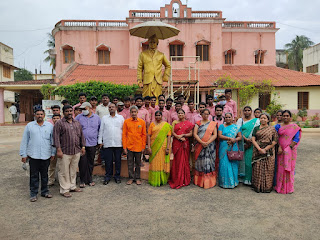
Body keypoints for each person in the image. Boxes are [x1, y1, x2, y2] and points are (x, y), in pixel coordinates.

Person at [20, 109, 55, 202]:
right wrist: (23, 154)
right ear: (34, 115)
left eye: (41, 114)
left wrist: (53, 153)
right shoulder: (30, 126)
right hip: (33, 155)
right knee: (34, 175)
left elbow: (53, 141)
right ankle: (33, 193)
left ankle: (45, 191)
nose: (39, 116)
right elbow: (25, 140)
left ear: (44, 115)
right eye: (38, 114)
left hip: (46, 155)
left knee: (44, 175)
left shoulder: (49, 126)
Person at [53, 105, 86, 198]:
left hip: (76, 150)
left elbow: (81, 135)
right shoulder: (59, 123)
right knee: (63, 171)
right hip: (64, 151)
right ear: (63, 113)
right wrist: (58, 150)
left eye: (71, 111)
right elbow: (56, 137)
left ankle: (72, 186)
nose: (69, 113)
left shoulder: (77, 123)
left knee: (73, 170)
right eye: (67, 111)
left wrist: (83, 147)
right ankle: (64, 189)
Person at [274, 110, 301, 194]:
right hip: (280, 151)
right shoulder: (278, 126)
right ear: (281, 117)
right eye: (284, 116)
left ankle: (289, 188)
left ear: (290, 117)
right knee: (280, 168)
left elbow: (296, 139)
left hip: (290, 151)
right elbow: (275, 137)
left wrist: (288, 148)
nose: (285, 117)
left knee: (290, 168)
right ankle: (280, 187)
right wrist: (279, 147)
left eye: (287, 116)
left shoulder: (294, 127)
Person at [75, 102, 101, 188]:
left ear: (90, 108)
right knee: (82, 162)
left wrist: (99, 141)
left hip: (93, 143)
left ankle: (89, 179)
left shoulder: (97, 118)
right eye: (82, 109)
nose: (83, 111)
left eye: (85, 109)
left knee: (90, 162)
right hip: (81, 144)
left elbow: (100, 129)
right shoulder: (79, 117)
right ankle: (82, 180)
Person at [251, 113, 278, 193]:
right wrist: (259, 149)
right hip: (257, 151)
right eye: (261, 118)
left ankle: (267, 187)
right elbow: (253, 139)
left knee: (268, 169)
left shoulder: (272, 129)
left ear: (268, 120)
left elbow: (275, 141)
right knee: (257, 168)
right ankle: (257, 186)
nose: (263, 119)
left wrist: (265, 149)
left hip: (269, 151)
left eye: (265, 118)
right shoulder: (256, 128)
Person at [99, 103, 124, 184]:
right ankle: (107, 176)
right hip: (107, 142)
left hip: (118, 143)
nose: (111, 108)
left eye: (112, 107)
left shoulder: (121, 118)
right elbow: (101, 130)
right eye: (109, 107)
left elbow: (124, 131)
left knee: (118, 161)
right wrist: (100, 141)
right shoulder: (104, 118)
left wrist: (124, 143)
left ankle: (117, 176)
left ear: (116, 108)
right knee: (108, 161)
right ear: (108, 109)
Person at [169, 109, 194, 189]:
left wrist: (183, 135)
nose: (180, 114)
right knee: (177, 161)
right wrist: (178, 137)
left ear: (184, 114)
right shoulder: (175, 122)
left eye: (182, 113)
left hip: (184, 144)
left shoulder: (189, 123)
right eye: (179, 113)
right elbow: (172, 132)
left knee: (184, 160)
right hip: (176, 142)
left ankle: (184, 179)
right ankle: (176, 178)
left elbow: (191, 133)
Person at [193, 109, 218, 189]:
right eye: (204, 114)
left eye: (208, 114)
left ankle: (209, 182)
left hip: (210, 146)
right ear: (201, 114)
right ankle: (199, 181)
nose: (206, 115)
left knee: (209, 162)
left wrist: (207, 142)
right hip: (200, 145)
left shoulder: (212, 124)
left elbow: (215, 135)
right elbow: (195, 134)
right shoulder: (198, 123)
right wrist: (201, 142)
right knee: (200, 163)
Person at [122, 106, 147, 185]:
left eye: (134, 112)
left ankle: (137, 178)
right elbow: (124, 135)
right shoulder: (126, 122)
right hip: (129, 146)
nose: (133, 113)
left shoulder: (142, 122)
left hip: (139, 147)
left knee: (138, 163)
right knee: (130, 163)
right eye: (132, 112)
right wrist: (124, 147)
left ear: (137, 112)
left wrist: (143, 147)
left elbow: (144, 135)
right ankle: (131, 178)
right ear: (130, 113)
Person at [236, 106, 260, 185]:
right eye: (245, 110)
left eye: (248, 110)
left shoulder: (256, 121)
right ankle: (241, 177)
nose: (247, 112)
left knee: (249, 161)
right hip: (241, 143)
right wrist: (245, 139)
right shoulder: (240, 120)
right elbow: (237, 131)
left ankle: (248, 179)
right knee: (241, 160)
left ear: (251, 111)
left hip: (252, 143)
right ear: (243, 112)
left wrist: (251, 141)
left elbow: (257, 132)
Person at [147, 111, 172, 187]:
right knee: (154, 163)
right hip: (154, 146)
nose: (158, 117)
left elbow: (169, 136)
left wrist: (168, 147)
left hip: (163, 146)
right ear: (155, 116)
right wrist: (148, 147)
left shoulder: (166, 125)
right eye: (156, 115)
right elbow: (148, 135)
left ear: (162, 116)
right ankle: (154, 179)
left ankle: (161, 179)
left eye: (159, 115)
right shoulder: (152, 124)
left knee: (161, 162)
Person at [218, 112, 242, 189]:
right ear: (224, 118)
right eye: (226, 117)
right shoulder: (221, 126)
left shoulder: (237, 127)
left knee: (233, 164)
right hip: (223, 147)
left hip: (233, 147)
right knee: (223, 164)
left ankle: (233, 182)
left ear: (232, 118)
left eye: (229, 117)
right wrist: (229, 138)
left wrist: (234, 140)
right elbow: (220, 135)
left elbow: (240, 137)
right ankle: (224, 183)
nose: (228, 119)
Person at [47, 114, 61, 186]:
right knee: (52, 165)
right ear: (52, 119)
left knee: (61, 166)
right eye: (54, 118)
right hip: (52, 149)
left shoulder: (63, 126)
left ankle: (61, 180)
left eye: (57, 118)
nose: (56, 120)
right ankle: (51, 179)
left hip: (61, 149)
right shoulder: (50, 128)